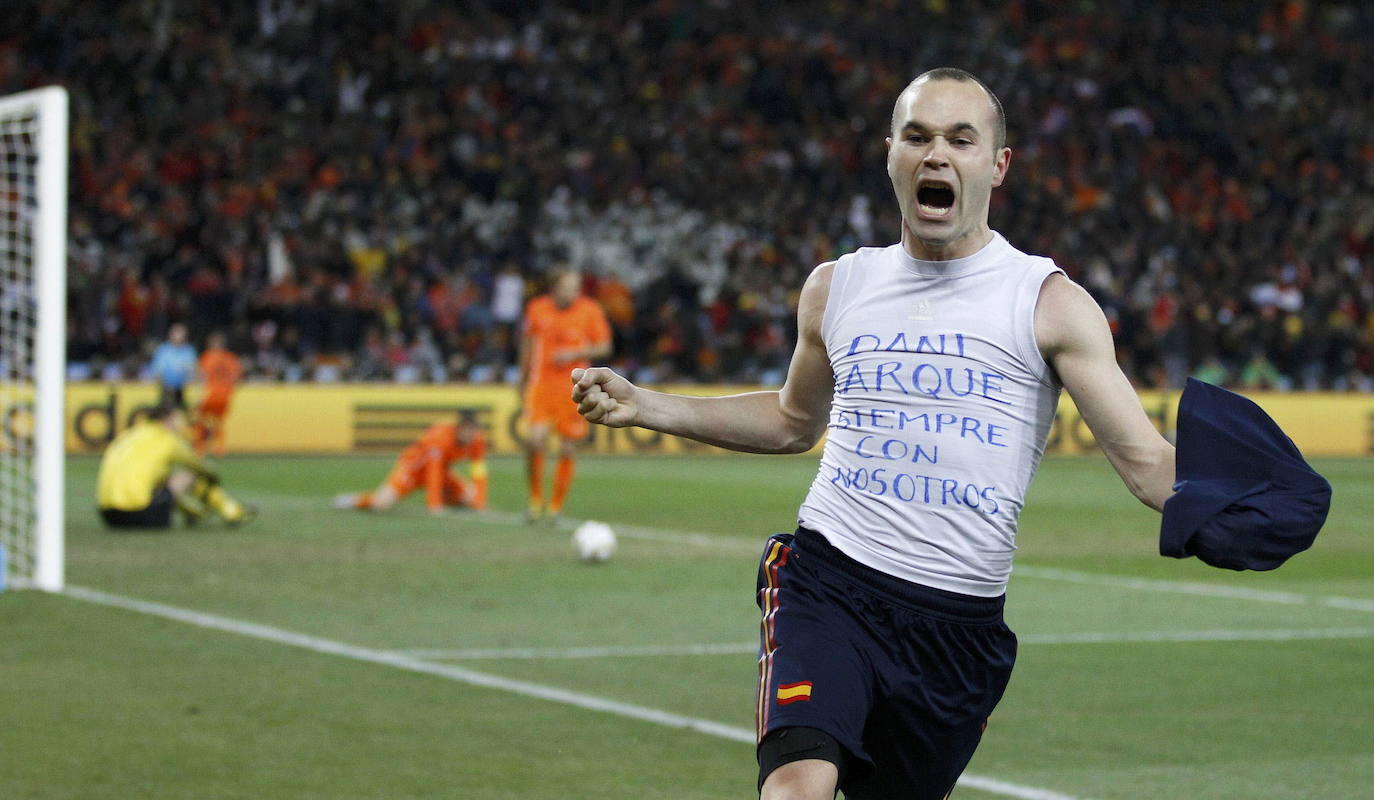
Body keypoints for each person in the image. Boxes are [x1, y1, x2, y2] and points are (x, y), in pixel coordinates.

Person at [571, 68, 1177, 799]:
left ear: (998, 164)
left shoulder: (1048, 303)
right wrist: (648, 405)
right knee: (797, 786)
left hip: (957, 629)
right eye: (917, 137)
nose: (937, 155)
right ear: (889, 152)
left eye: (961, 139)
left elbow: (1147, 467)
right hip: (832, 586)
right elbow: (796, 421)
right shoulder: (838, 286)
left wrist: (1248, 503)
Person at [518, 268, 612, 522]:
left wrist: (573, 354)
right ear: (555, 287)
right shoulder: (537, 308)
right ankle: (535, 501)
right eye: (569, 286)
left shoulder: (589, 310)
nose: (575, 291)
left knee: (568, 448)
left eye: (576, 286)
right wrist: (522, 377)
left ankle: (555, 508)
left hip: (575, 388)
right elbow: (527, 343)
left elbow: (604, 346)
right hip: (542, 386)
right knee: (535, 440)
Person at [96, 402, 255, 529]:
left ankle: (191, 513)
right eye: (177, 419)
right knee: (190, 475)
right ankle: (231, 511)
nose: (180, 424)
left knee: (162, 479)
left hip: (108, 516)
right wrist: (213, 475)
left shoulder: (127, 435)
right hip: (140, 514)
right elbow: (199, 466)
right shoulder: (167, 439)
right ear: (167, 420)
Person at [333, 413, 488, 514]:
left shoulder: (477, 440)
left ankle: (450, 500)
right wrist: (434, 504)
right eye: (467, 430)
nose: (470, 435)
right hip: (415, 469)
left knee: (471, 498)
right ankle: (354, 500)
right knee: (382, 504)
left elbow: (479, 470)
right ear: (458, 429)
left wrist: (479, 502)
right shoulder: (440, 437)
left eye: (473, 431)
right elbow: (432, 470)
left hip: (442, 472)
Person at [193, 331, 243, 457]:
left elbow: (201, 377)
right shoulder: (231, 358)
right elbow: (236, 378)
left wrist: (199, 395)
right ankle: (219, 449)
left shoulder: (207, 357)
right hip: (225, 396)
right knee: (218, 422)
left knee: (201, 420)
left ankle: (200, 447)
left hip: (211, 394)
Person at [148, 322, 198, 408]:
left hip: (184, 390)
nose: (179, 337)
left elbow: (193, 371)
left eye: (182, 334)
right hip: (166, 390)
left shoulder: (189, 350)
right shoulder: (163, 350)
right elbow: (157, 371)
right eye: (177, 333)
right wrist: (166, 386)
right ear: (171, 335)